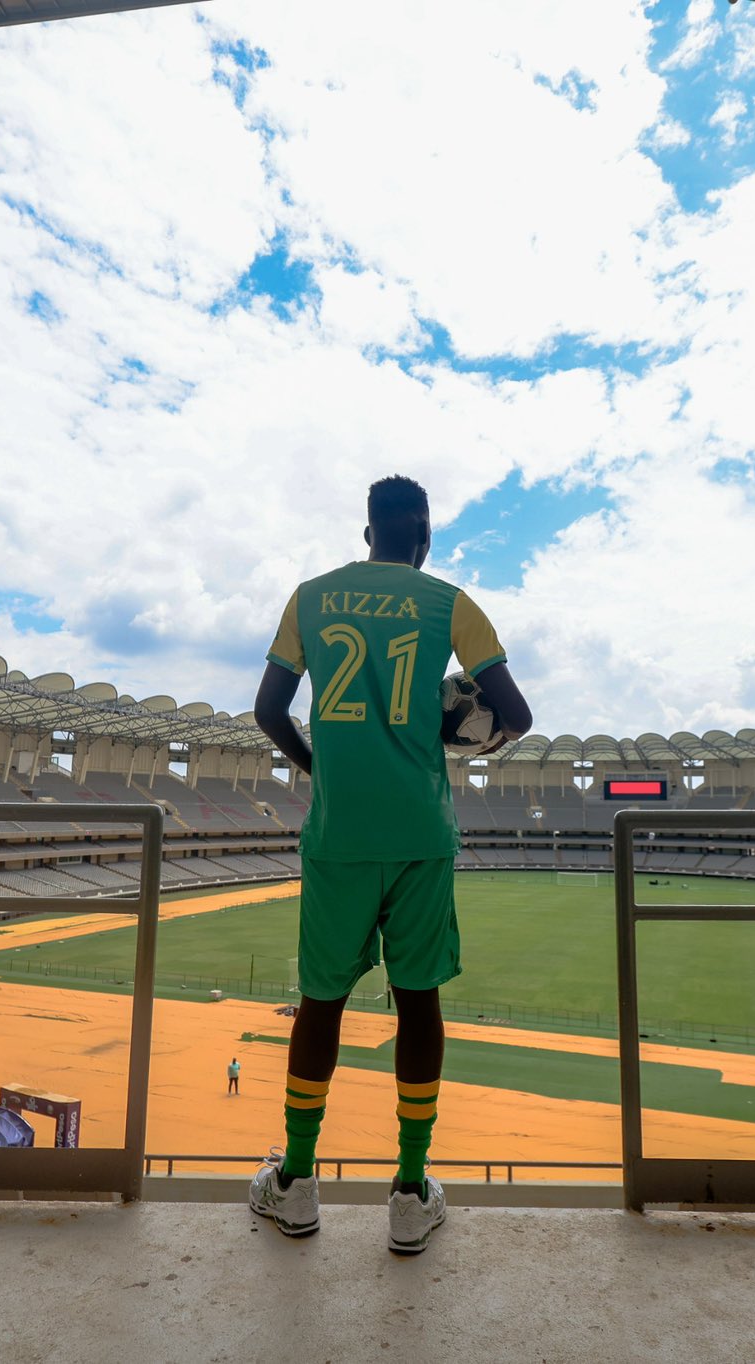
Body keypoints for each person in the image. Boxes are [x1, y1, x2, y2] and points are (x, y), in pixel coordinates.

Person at [247, 475, 532, 1255]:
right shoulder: (451, 604)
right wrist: (471, 737)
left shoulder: (310, 597)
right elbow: (521, 714)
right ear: (426, 534)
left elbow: (269, 710)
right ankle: (410, 1190)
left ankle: (297, 1183)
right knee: (418, 1003)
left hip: (340, 835)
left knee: (321, 1004)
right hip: (420, 835)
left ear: (367, 532)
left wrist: (315, 768)